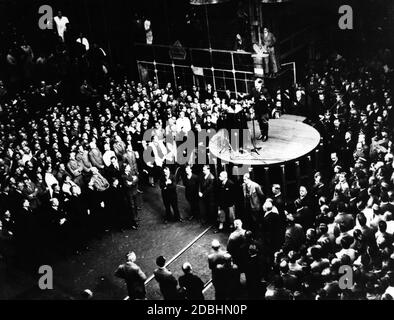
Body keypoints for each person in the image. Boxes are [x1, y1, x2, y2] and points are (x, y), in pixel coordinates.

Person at [121, 165, 139, 230]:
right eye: (128, 167)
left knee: (136, 205)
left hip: (134, 192)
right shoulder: (123, 176)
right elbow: (127, 185)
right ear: (125, 169)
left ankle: (136, 218)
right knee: (132, 207)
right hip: (129, 194)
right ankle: (134, 222)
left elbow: (137, 179)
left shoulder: (131, 173)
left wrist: (132, 182)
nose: (129, 168)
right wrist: (133, 180)